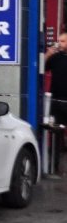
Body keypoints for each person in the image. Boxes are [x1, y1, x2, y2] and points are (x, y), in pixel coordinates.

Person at [45, 32, 67, 173]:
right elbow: (42, 67)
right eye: (59, 40)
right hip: (56, 101)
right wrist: (48, 54)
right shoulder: (56, 57)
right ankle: (54, 167)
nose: (59, 43)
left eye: (63, 41)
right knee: (55, 135)